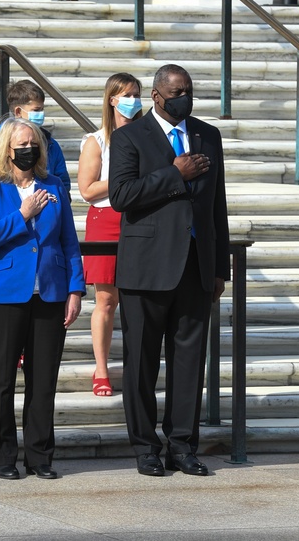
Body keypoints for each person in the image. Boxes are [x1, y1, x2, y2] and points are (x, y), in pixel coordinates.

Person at [108, 64, 230, 478]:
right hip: (146, 269)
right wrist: (173, 175)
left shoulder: (207, 135)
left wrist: (219, 267)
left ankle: (182, 445)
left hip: (196, 267)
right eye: (177, 91)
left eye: (189, 90)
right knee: (141, 361)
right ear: (157, 96)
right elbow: (122, 196)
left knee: (189, 362)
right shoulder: (129, 137)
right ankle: (145, 447)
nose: (185, 97)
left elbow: (217, 206)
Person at [0, 118, 84, 481]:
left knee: (43, 381)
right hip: (3, 296)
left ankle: (40, 456)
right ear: (8, 149)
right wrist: (23, 214)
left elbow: (69, 241)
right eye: (22, 144)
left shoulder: (53, 185)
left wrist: (75, 288)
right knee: (1, 380)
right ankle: (2, 455)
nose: (29, 149)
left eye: (34, 143)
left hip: (50, 293)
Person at [77, 73, 143, 397]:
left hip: (140, 219)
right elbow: (87, 189)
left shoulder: (150, 136)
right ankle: (101, 368)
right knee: (106, 299)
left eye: (137, 94)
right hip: (105, 218)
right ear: (112, 99)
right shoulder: (97, 140)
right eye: (127, 95)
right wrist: (123, 179)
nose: (133, 100)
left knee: (138, 300)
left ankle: (137, 366)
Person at [0, 80, 72, 196]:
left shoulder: (50, 144)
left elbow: (62, 181)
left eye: (42, 109)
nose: (41, 114)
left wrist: (59, 200)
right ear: (18, 111)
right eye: (36, 110)